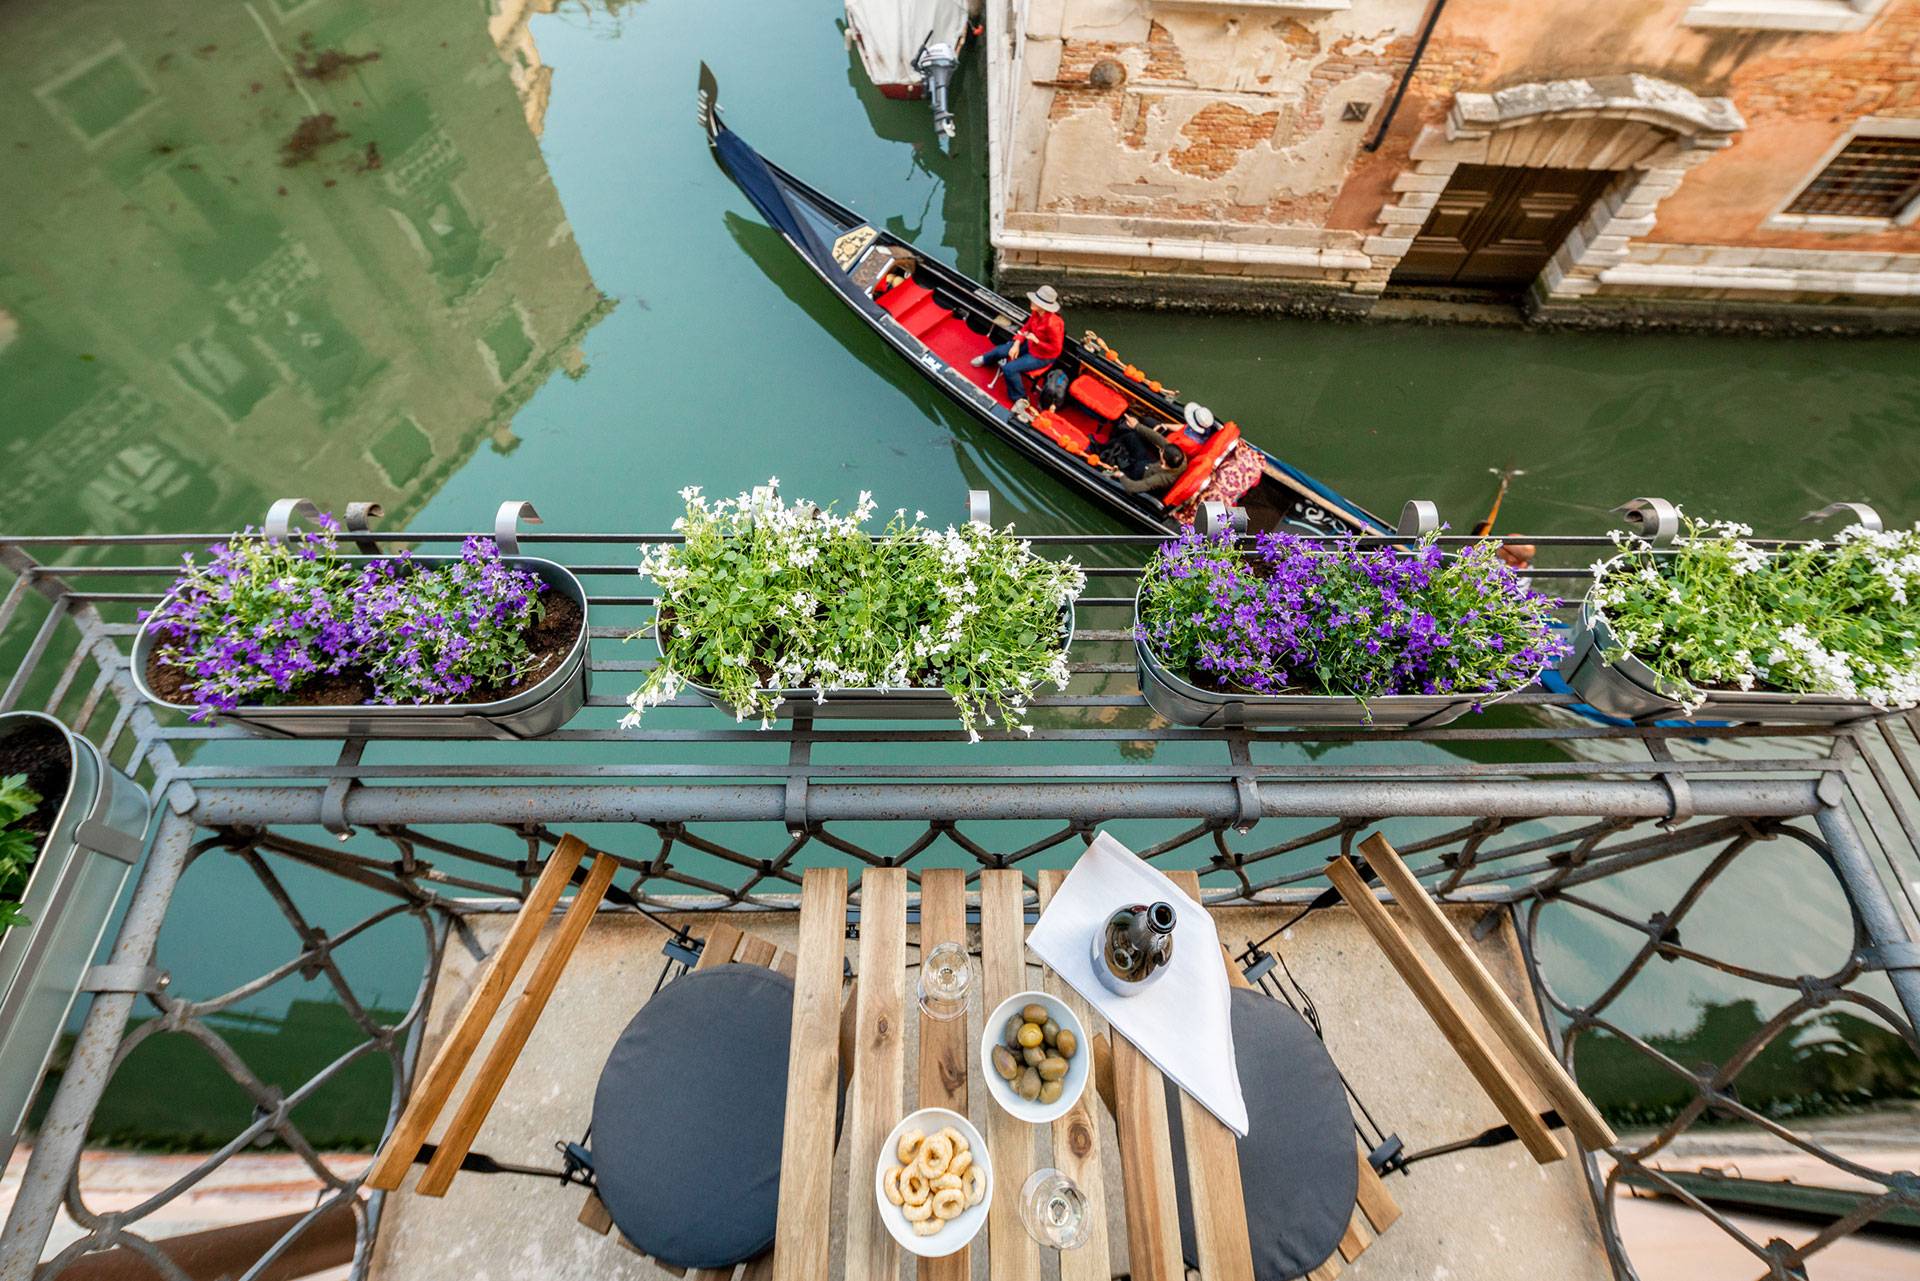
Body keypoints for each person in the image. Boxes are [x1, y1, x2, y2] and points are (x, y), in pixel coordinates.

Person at [972, 285, 1065, 404]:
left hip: (1042, 356)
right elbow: (1026, 327)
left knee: (1009, 369)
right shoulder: (1036, 313)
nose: (1031, 302)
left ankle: (1020, 398)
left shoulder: (1053, 324)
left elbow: (1056, 350)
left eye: (1035, 301)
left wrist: (1037, 341)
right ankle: (986, 359)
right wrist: (1016, 343)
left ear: (1043, 306)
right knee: (1001, 351)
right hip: (1030, 344)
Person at [1098, 413, 1188, 495]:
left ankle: (1098, 468)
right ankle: (1101, 448)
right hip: (1147, 463)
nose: (1160, 450)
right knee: (1131, 436)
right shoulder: (1180, 457)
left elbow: (1133, 487)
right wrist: (1137, 426)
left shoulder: (1161, 479)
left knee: (1106, 473)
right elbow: (1158, 438)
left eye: (1161, 452)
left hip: (1138, 475)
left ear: (1164, 464)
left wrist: (1120, 475)